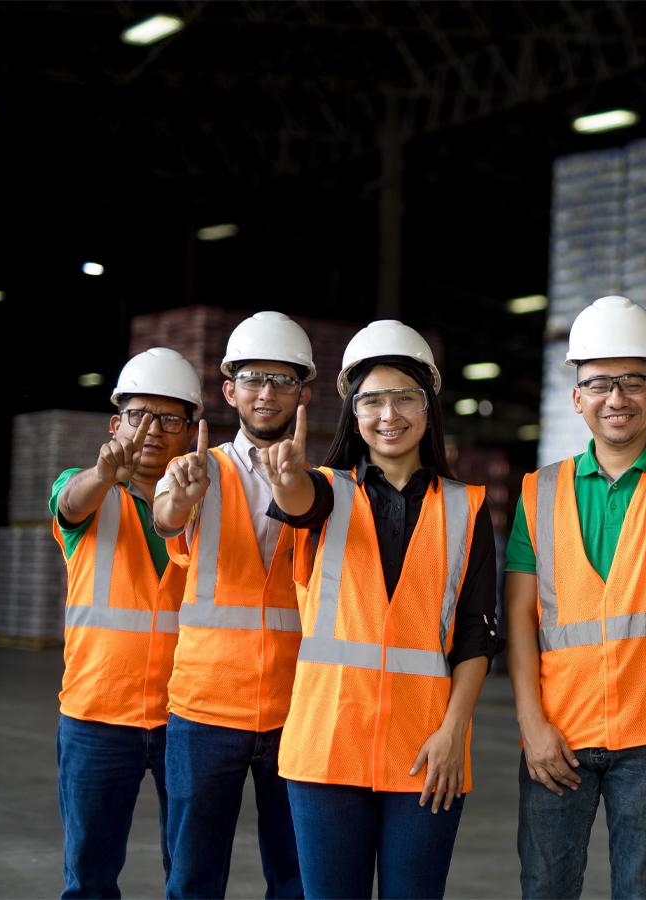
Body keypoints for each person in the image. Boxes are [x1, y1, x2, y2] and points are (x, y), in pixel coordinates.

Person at [258, 320, 502, 899]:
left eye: (404, 398)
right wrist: (287, 477)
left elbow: (476, 635)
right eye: (372, 400)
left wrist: (453, 731)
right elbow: (297, 504)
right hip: (326, 749)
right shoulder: (323, 491)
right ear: (353, 412)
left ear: (428, 407)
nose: (388, 414)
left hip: (426, 751)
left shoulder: (467, 510)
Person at [506, 294, 646, 899]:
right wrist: (532, 724)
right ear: (576, 396)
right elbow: (520, 620)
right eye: (600, 384)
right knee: (546, 887)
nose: (617, 398)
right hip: (559, 736)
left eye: (633, 382)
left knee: (641, 889)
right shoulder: (540, 490)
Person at [153, 311, 315, 898]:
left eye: (282, 381)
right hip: (204, 708)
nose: (266, 393)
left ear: (302, 393)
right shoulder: (196, 470)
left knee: (297, 878)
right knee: (193, 877)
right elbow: (167, 516)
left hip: (296, 708)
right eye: (253, 379)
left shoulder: (323, 483)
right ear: (229, 391)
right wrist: (179, 499)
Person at [51, 347, 202, 898]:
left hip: (185, 719)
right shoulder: (88, 492)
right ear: (116, 424)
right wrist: (100, 474)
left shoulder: (204, 506)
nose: (153, 431)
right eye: (139, 416)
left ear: (190, 432)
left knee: (188, 871)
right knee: (88, 874)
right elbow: (69, 503)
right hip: (96, 715)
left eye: (170, 419)